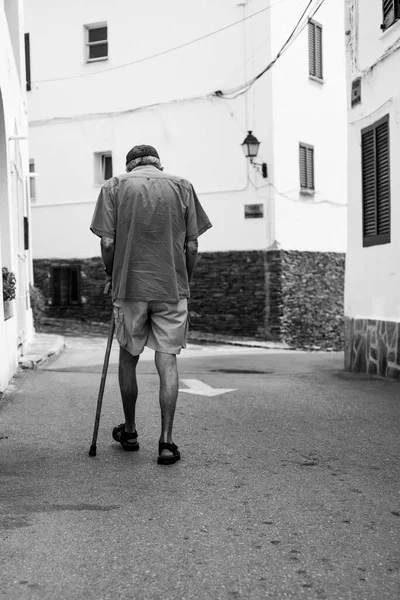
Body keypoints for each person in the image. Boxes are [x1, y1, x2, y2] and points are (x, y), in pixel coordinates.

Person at [90, 144, 212, 465]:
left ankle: (130, 431)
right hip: (171, 288)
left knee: (128, 358)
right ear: (158, 164)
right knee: (167, 361)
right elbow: (193, 244)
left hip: (130, 287)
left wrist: (111, 272)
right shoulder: (182, 186)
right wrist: (185, 278)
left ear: (131, 166)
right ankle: (167, 442)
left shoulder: (114, 187)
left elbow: (107, 241)